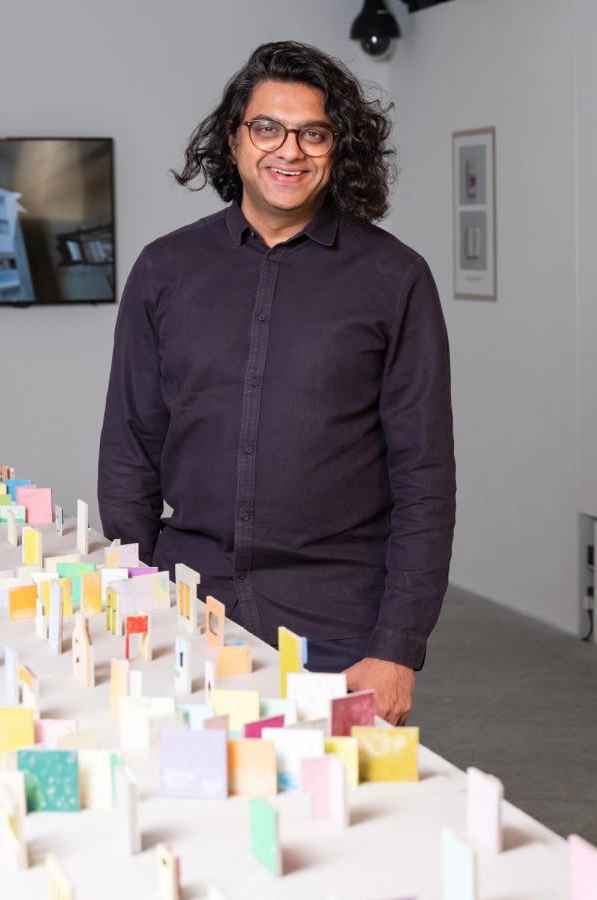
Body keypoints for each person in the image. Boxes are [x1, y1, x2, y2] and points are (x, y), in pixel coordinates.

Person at [98, 40, 455, 725]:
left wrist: (398, 648)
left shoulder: (395, 279)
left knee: (337, 825)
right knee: (189, 811)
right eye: (267, 128)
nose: (288, 151)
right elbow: (130, 448)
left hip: (341, 624)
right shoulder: (163, 271)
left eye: (312, 132)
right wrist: (136, 594)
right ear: (232, 142)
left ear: (337, 148)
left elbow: (424, 477)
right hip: (188, 611)